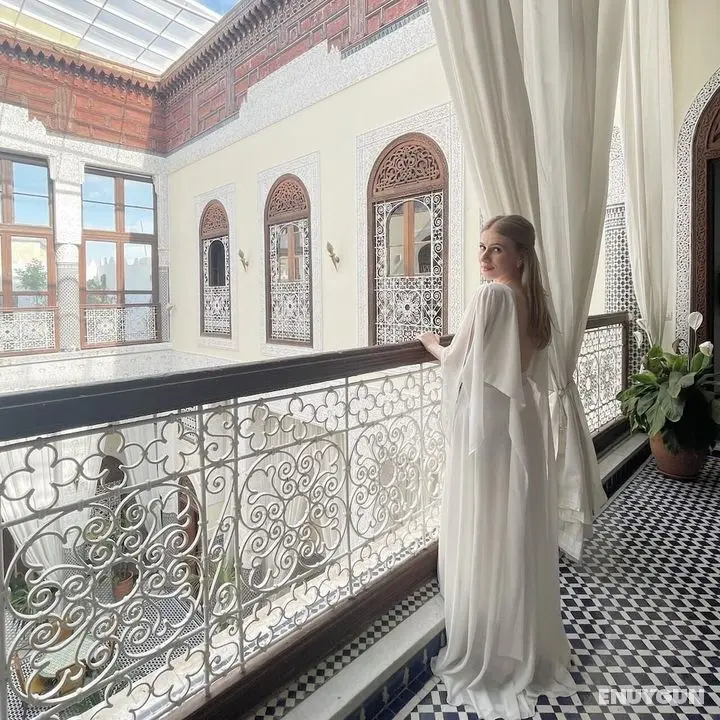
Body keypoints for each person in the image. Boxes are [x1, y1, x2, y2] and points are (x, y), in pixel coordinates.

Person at [418, 214, 576, 719]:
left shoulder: (492, 297)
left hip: (488, 422)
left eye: (497, 249)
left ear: (520, 257)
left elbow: (456, 358)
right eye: (482, 247)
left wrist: (431, 343)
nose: (485, 257)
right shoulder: (534, 301)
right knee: (512, 520)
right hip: (522, 419)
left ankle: (486, 628)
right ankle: (516, 630)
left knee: (485, 516)